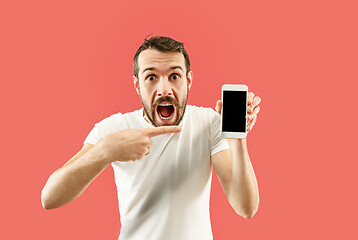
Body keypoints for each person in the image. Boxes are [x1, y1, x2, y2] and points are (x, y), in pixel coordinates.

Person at [41, 36, 262, 240]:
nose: (164, 89)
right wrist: (106, 151)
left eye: (174, 76)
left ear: (188, 80)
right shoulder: (116, 127)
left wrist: (237, 139)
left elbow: (246, 208)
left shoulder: (209, 122)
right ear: (137, 84)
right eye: (151, 77)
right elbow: (50, 197)